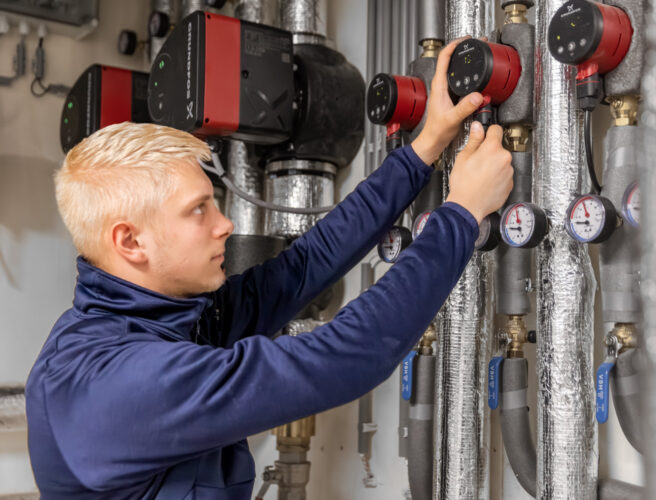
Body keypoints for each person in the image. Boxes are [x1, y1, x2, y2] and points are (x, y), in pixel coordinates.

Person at [25, 38, 514, 499]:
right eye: (198, 210)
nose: (225, 224)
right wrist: (461, 215)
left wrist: (423, 149)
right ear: (130, 241)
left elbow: (304, 265)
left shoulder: (168, 318)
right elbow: (349, 356)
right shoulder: (114, 385)